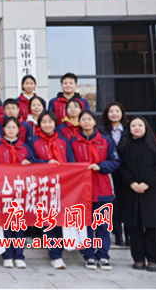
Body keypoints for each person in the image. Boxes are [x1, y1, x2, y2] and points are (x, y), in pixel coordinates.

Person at [69, 110, 120, 271]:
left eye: (89, 119)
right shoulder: (73, 142)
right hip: (82, 191)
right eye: (83, 119)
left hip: (103, 188)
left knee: (103, 225)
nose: (86, 122)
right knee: (86, 225)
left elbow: (115, 161)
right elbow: (69, 164)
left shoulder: (105, 140)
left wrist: (101, 166)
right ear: (79, 122)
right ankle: (89, 255)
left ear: (94, 121)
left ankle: (103, 255)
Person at [28, 111, 75, 269]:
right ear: (39, 124)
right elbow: (31, 161)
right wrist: (46, 163)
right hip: (43, 186)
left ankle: (60, 248)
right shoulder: (33, 141)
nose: (47, 125)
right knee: (48, 221)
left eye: (50, 122)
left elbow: (71, 162)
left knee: (61, 219)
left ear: (55, 124)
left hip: (63, 185)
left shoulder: (63, 141)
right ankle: (55, 255)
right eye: (44, 122)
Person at [116, 117, 156, 273]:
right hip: (130, 190)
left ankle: (154, 260)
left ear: (146, 127)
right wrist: (132, 183)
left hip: (151, 190)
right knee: (134, 226)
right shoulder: (123, 147)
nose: (136, 128)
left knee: (152, 226)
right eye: (133, 125)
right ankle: (138, 258)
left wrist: (146, 183)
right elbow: (120, 168)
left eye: (140, 125)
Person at [0, 117, 34, 269]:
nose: (11, 130)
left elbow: (34, 168)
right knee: (5, 224)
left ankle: (19, 256)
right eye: (8, 127)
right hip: (3, 189)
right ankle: (7, 256)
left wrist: (28, 164)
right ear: (4, 129)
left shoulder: (25, 148)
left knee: (18, 224)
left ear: (18, 130)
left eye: (14, 127)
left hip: (21, 191)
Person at [99, 102, 130, 247]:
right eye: (111, 111)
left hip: (127, 171)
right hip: (110, 171)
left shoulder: (129, 129)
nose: (114, 114)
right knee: (114, 204)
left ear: (122, 113)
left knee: (127, 202)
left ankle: (129, 234)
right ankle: (118, 234)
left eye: (117, 111)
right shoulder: (102, 130)